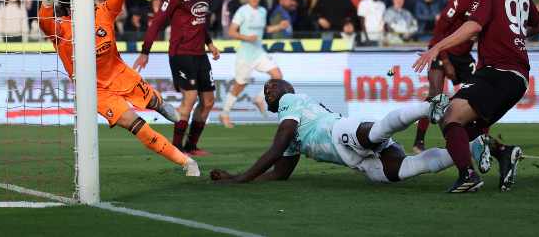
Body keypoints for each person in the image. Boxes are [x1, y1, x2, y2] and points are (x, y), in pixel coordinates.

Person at [38, 0, 199, 177]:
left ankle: (159, 104)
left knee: (155, 103)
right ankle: (185, 161)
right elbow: (44, 24)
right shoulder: (61, 30)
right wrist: (45, 3)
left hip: (121, 73)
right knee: (137, 126)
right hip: (97, 91)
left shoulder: (102, 13)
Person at [413, 0, 539, 192]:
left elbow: (474, 25)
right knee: (468, 127)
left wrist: (437, 46)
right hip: (517, 76)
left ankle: (468, 175)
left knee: (448, 116)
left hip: (498, 71)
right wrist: (514, 34)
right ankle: (504, 153)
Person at [209, 79, 491, 186]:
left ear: (287, 91)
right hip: (354, 160)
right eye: (265, 89)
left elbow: (276, 147)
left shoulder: (290, 102)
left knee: (371, 134)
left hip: (338, 131)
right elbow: (280, 172)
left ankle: (427, 109)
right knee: (396, 173)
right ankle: (472, 149)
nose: (268, 89)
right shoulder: (290, 125)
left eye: (273, 85)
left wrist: (239, 179)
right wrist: (244, 178)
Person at [134, 0, 221, 155]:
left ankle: (191, 146)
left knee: (208, 102)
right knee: (190, 99)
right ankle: (176, 148)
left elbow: (200, 22)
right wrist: (145, 50)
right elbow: (158, 22)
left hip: (200, 54)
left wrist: (209, 44)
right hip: (181, 53)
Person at [412, 0, 476, 153]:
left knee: (479, 93)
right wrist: (446, 61)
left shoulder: (490, 5)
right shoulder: (461, 0)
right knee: (434, 94)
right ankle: (419, 141)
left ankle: (478, 139)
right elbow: (438, 32)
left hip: (463, 55)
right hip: (440, 49)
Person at [221, 0, 289, 128]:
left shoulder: (262, 11)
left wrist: (279, 27)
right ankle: (225, 114)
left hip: (259, 53)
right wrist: (246, 37)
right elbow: (231, 32)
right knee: (239, 85)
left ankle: (259, 99)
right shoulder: (242, 11)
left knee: (278, 75)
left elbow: (264, 30)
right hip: (245, 55)